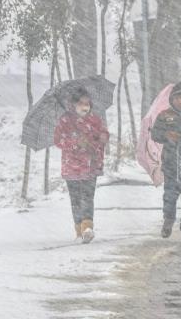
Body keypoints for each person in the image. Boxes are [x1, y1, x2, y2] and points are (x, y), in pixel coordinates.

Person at [54, 87, 109, 244]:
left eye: (87, 103)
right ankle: (79, 230)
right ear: (73, 104)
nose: (85, 106)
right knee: (76, 199)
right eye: (80, 103)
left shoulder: (95, 120)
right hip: (71, 167)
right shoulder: (65, 121)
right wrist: (76, 143)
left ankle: (87, 227)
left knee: (88, 197)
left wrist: (102, 138)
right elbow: (59, 141)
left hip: (91, 165)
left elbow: (103, 134)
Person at [150, 82, 181, 243]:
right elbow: (155, 134)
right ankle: (168, 220)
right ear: (172, 99)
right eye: (177, 98)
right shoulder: (164, 116)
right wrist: (167, 135)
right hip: (171, 165)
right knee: (170, 196)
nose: (180, 101)